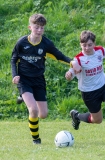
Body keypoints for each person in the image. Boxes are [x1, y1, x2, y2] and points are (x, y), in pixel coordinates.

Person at [11, 13, 72, 144]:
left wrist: (73, 62)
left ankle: (25, 97)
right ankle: (36, 139)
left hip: (38, 80)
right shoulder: (21, 43)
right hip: (24, 80)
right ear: (30, 27)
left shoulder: (46, 44)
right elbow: (13, 59)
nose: (39, 30)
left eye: (42, 28)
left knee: (43, 114)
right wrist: (14, 75)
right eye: (36, 27)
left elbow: (59, 56)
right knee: (33, 109)